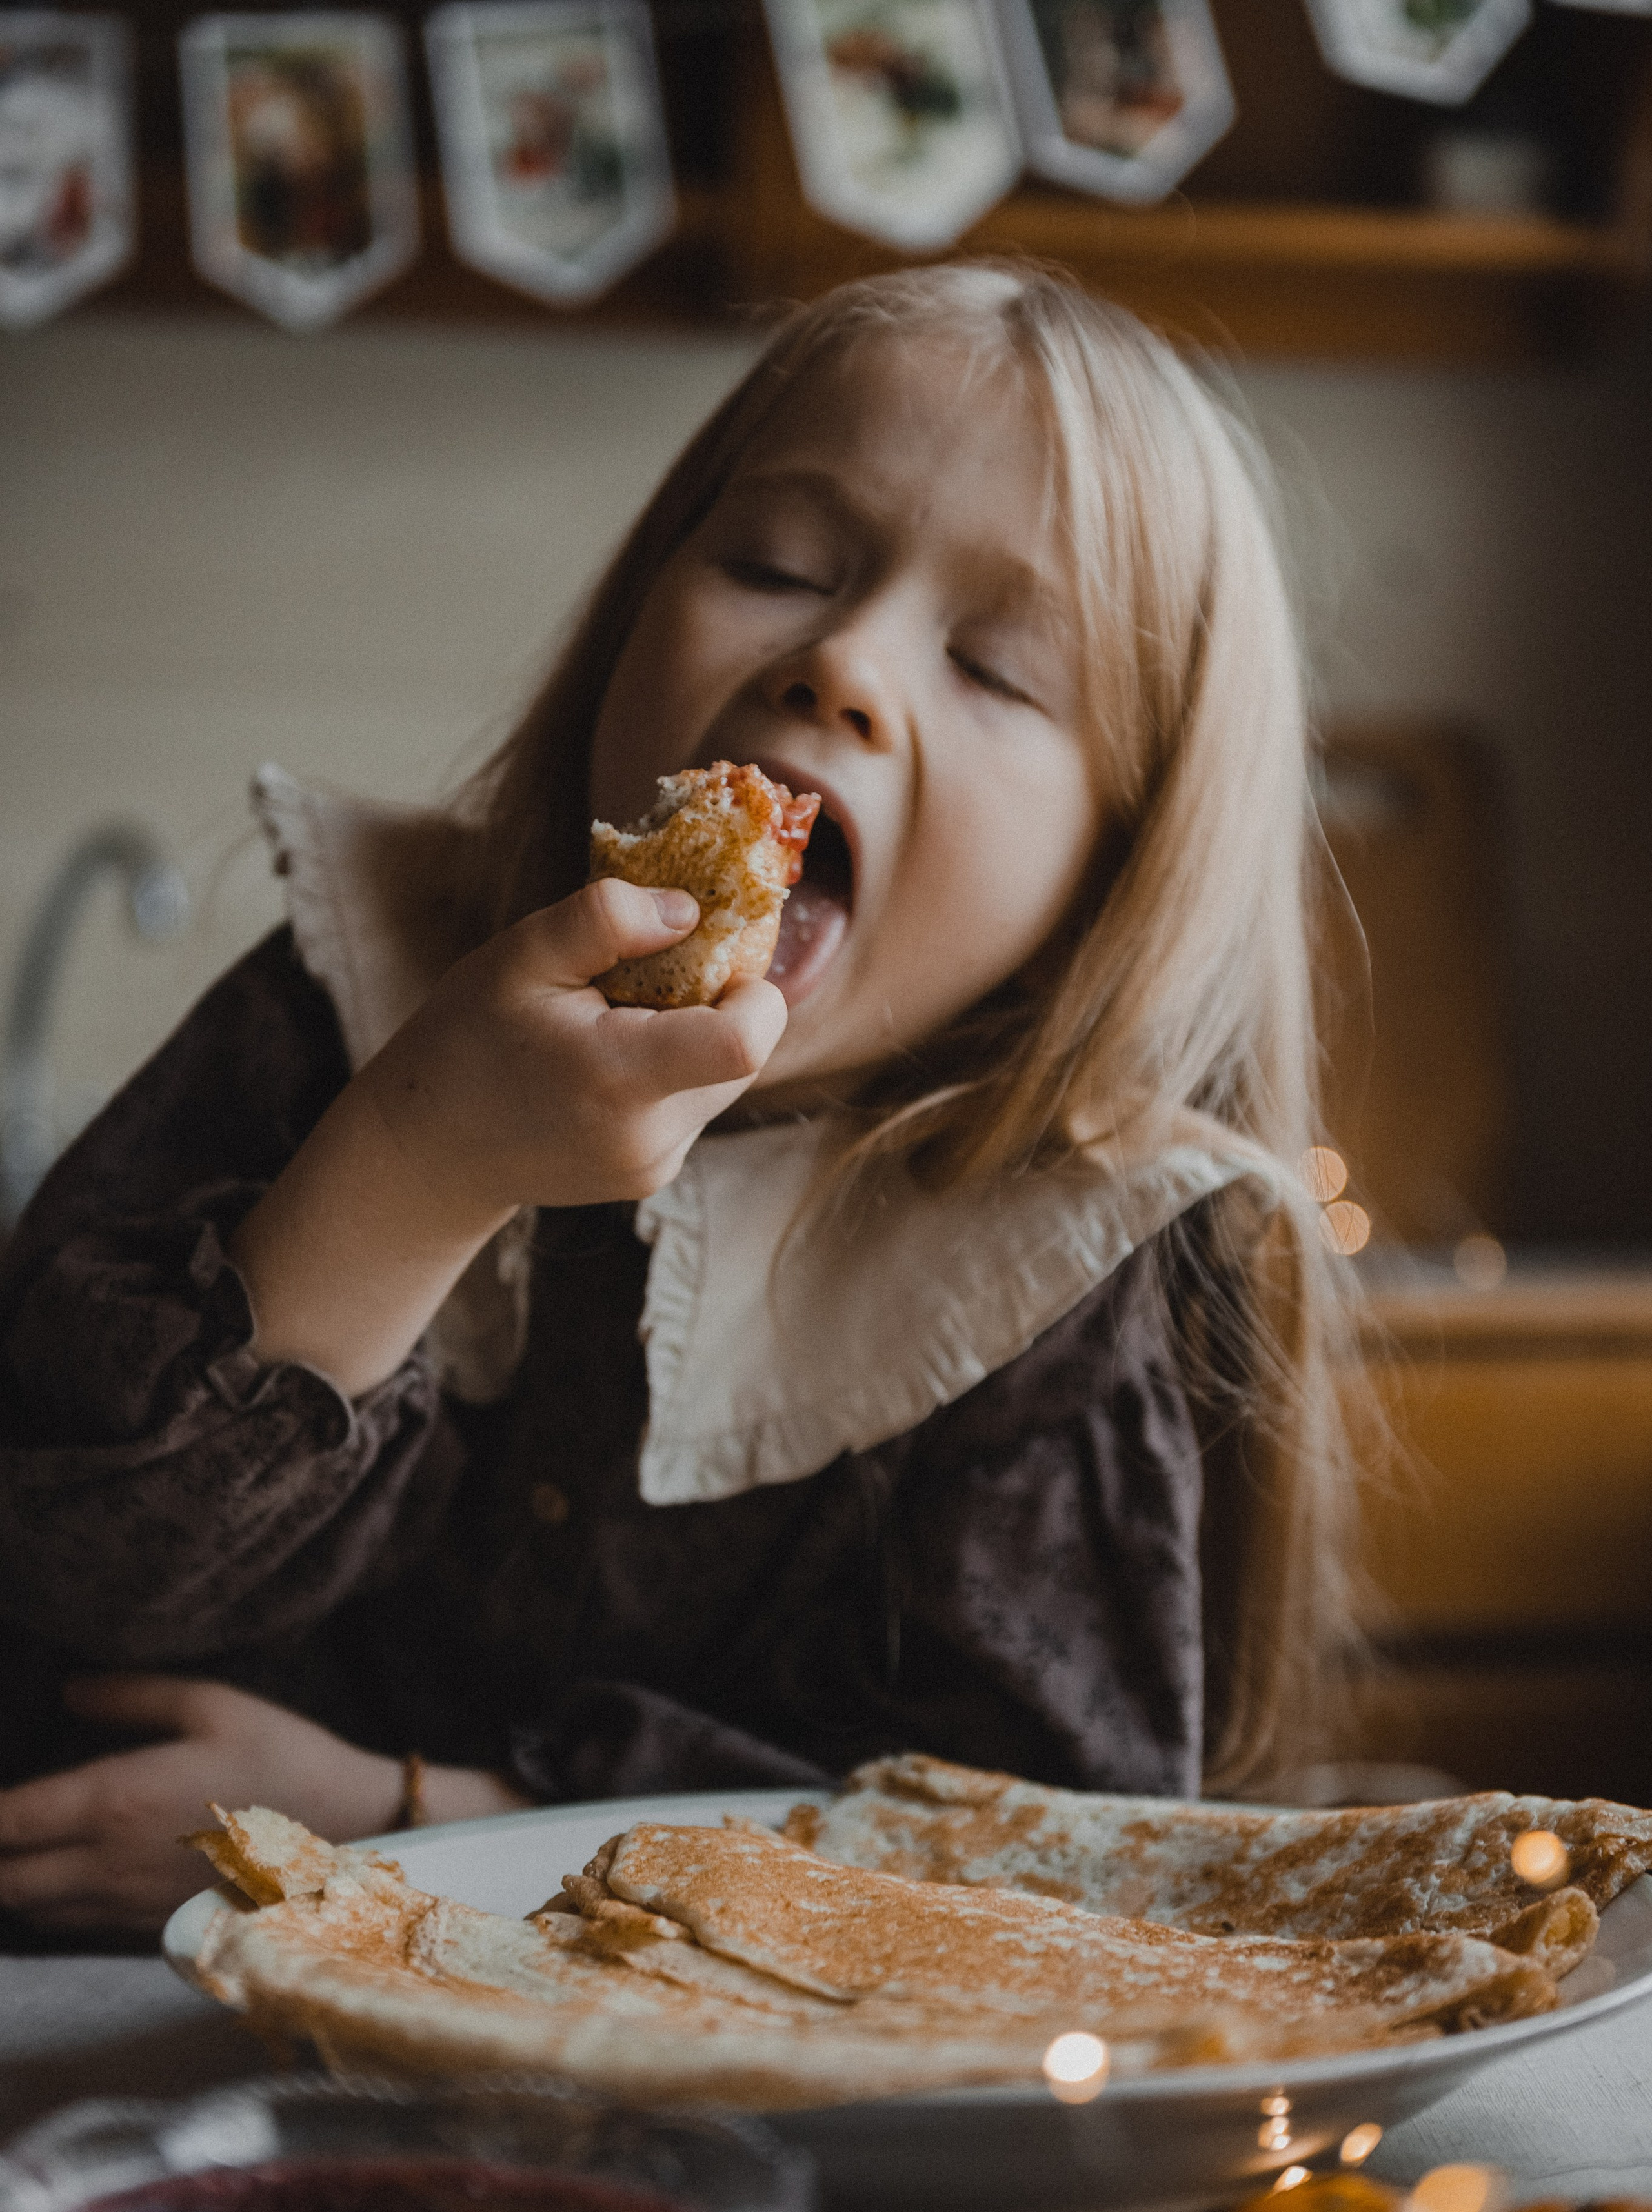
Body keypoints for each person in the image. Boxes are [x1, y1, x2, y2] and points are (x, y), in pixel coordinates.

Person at [0, 262, 1360, 1939]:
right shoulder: (350, 992)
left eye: (997, 666)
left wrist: (407, 1827)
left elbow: (1042, 1874)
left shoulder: (1047, 1263)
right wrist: (413, 1162)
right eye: (778, 565)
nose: (842, 660)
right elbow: (65, 1568)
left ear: (1112, 867)